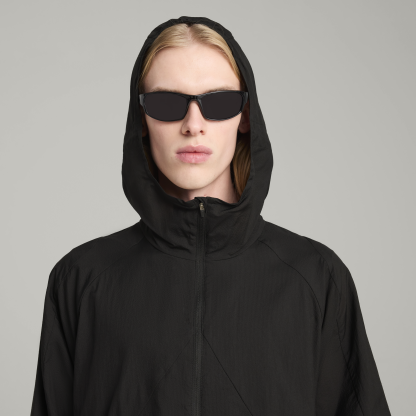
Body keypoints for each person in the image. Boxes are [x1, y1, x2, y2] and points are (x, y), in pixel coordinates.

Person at [30, 16, 391, 416]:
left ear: (245, 117)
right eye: (167, 104)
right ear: (142, 119)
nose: (193, 125)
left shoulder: (317, 277)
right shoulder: (80, 279)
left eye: (218, 103)